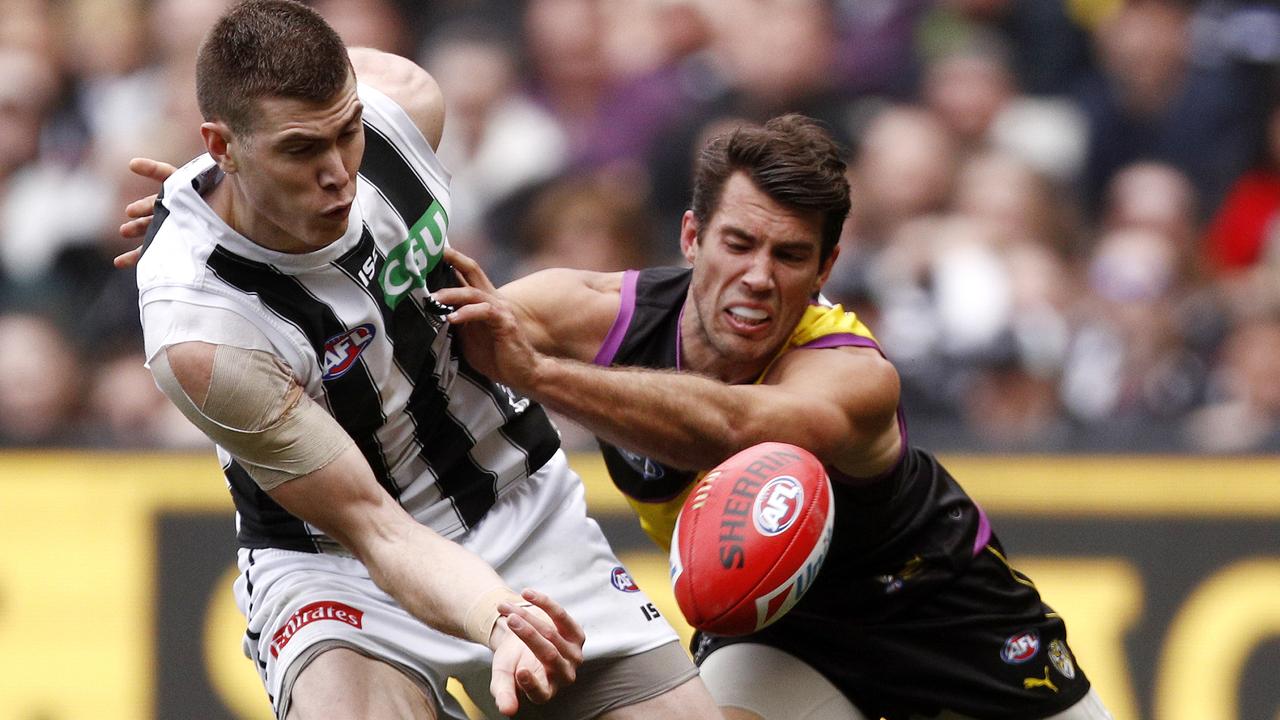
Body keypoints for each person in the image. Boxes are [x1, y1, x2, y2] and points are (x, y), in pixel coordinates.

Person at [126, 2, 720, 719]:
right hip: (339, 567)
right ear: (223, 145)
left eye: (346, 134)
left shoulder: (402, 105)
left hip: (513, 502)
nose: (338, 175)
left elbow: (329, 115)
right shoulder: (200, 330)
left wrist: (229, 181)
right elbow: (373, 526)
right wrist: (497, 616)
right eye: (298, 151)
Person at [431, 115, 1115, 720]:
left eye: (789, 256)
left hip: (945, 619)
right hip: (776, 632)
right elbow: (427, 341)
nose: (760, 275)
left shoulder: (854, 374)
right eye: (739, 243)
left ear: (825, 268)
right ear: (692, 236)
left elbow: (736, 431)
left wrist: (540, 376)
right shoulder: (590, 311)